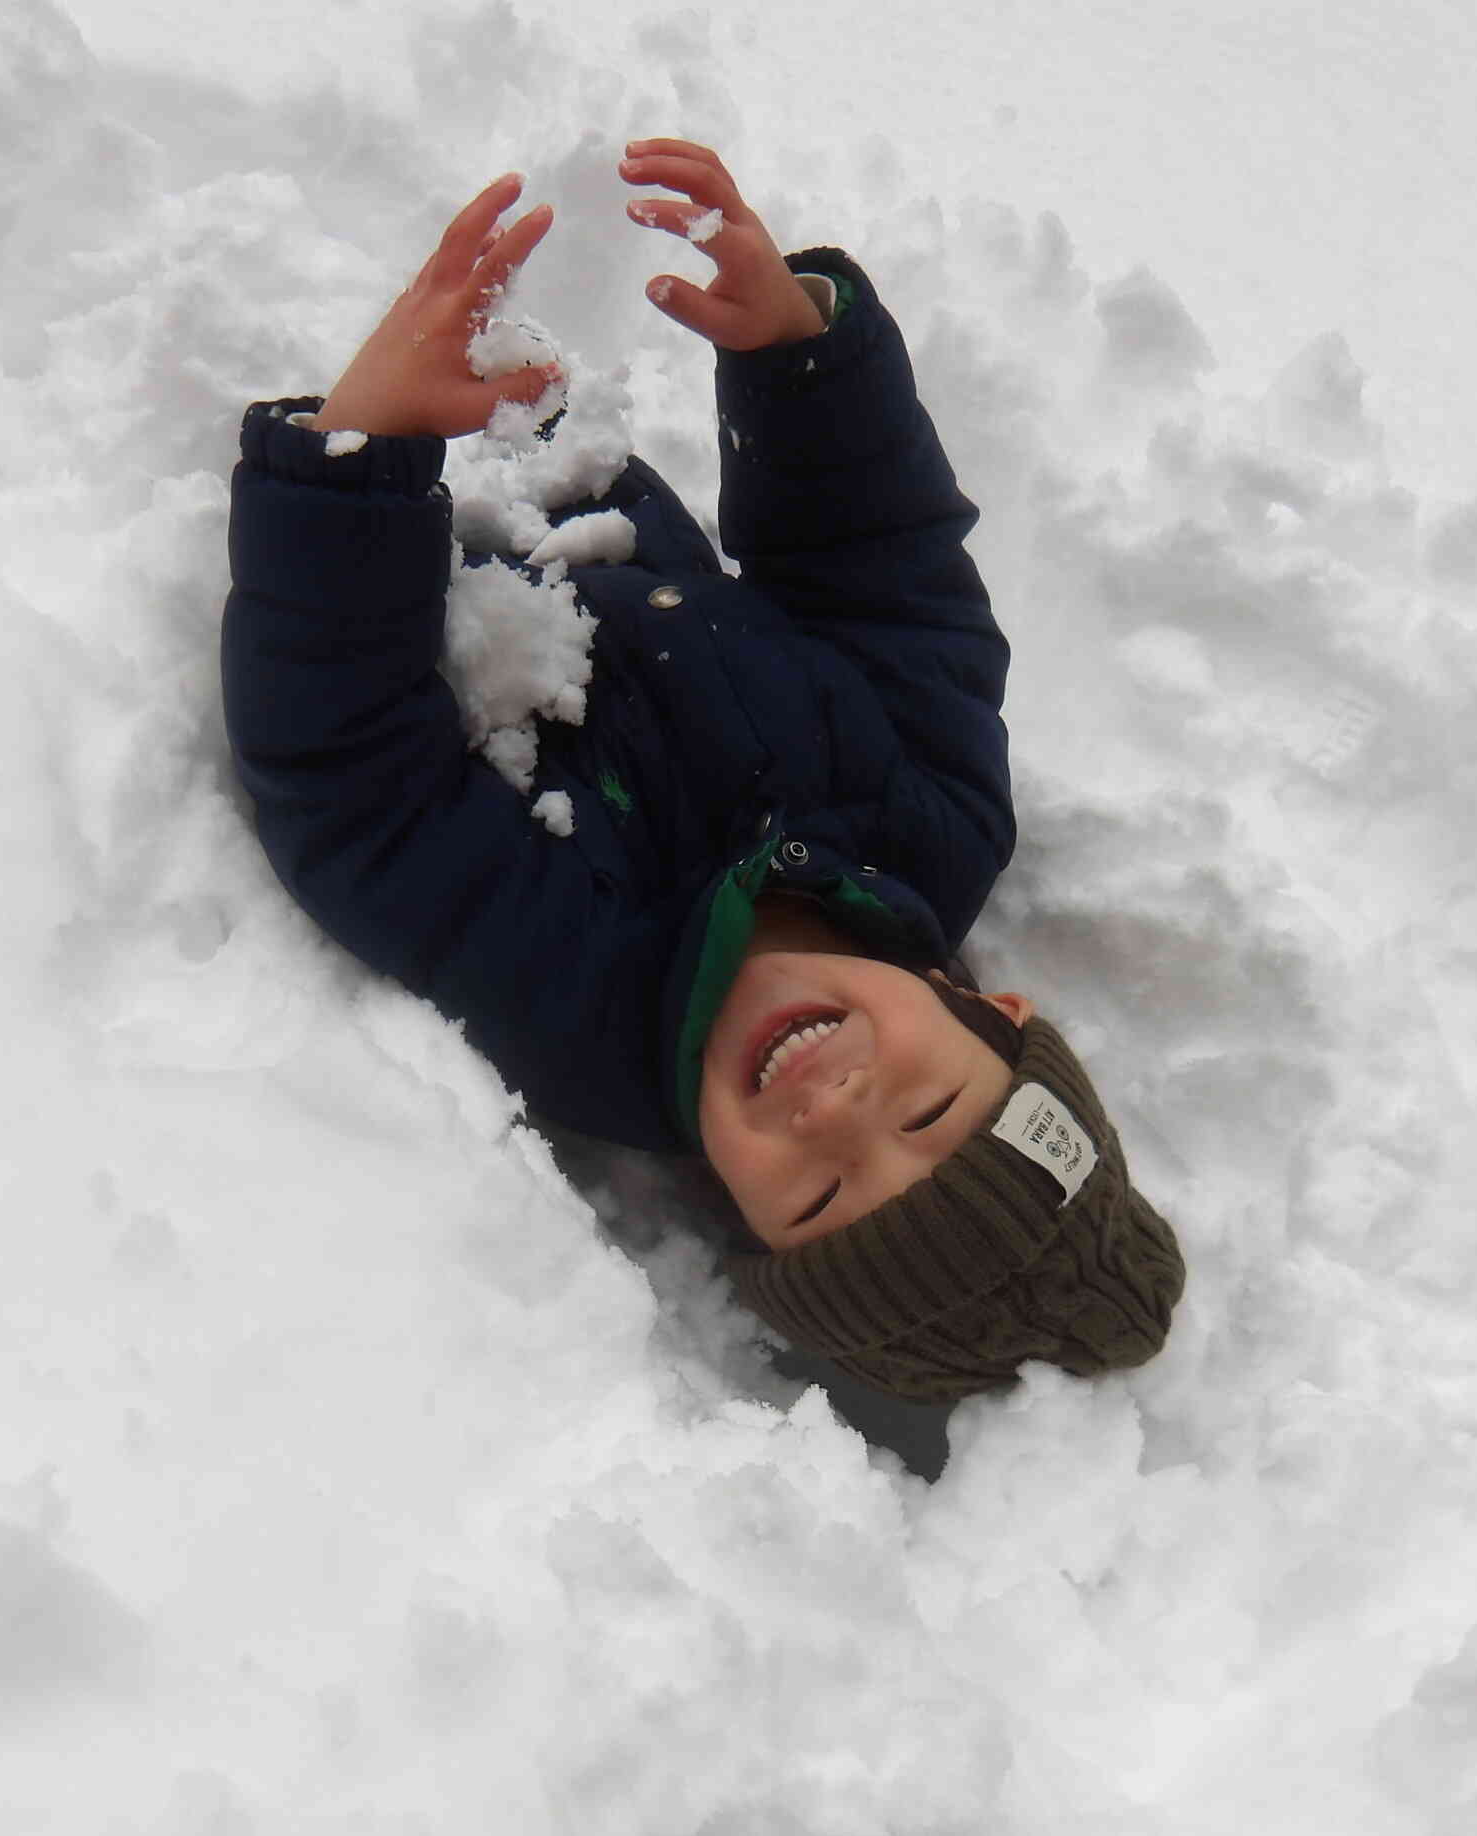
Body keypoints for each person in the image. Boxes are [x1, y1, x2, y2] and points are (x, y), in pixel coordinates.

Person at [221, 139, 1184, 1431]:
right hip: (549, 444)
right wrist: (801, 359)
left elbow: (353, 788)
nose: (842, 1116)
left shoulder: (570, 1007)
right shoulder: (939, 810)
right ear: (990, 1012)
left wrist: (359, 455)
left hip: (401, 505)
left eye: (822, 1197)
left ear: (740, 1214)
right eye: (930, 1105)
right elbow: (884, 567)